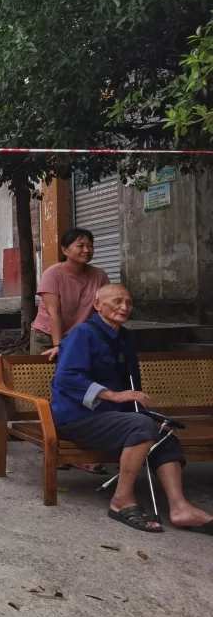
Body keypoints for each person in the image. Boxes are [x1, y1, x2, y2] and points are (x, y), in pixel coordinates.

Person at [50, 284, 213, 535]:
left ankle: (180, 508)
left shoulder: (124, 337)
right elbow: (67, 378)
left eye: (128, 302)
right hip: (78, 418)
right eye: (116, 301)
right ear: (98, 305)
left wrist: (145, 412)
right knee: (142, 426)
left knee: (161, 431)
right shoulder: (82, 334)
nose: (124, 307)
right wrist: (113, 395)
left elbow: (131, 383)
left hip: (113, 417)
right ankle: (121, 501)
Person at [30, 227, 110, 359]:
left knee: (75, 377)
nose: (86, 250)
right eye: (80, 246)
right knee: (43, 378)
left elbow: (105, 309)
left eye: (89, 246)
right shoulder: (52, 274)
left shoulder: (99, 275)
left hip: (79, 337)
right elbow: (53, 313)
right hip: (47, 337)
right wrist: (58, 345)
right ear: (64, 250)